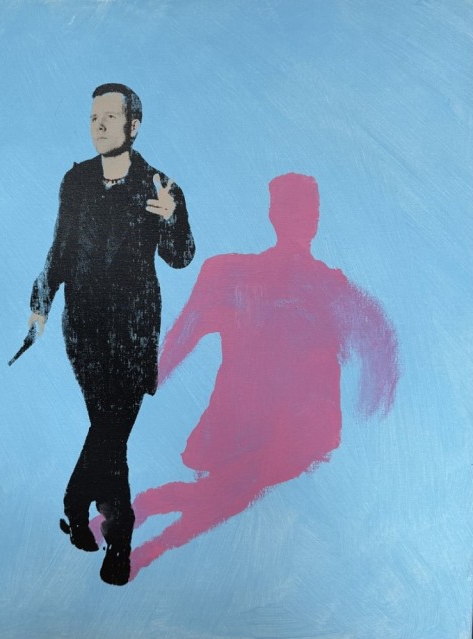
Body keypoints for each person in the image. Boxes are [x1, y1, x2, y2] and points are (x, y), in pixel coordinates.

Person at [112, 173, 398, 580]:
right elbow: (185, 333)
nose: (303, 218)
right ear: (276, 214)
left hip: (299, 433)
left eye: (308, 210)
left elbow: (379, 338)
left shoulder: (326, 287)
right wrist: (146, 380)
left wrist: (379, 386)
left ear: (313, 218)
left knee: (227, 491)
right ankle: (143, 531)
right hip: (254, 427)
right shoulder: (234, 275)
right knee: (229, 492)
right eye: (296, 209)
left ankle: (141, 525)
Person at [28, 83, 195, 585]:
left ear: (133, 126)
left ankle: (80, 506)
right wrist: (40, 305)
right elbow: (59, 248)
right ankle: (114, 540)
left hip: (134, 330)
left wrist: (172, 219)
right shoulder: (76, 180)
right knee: (110, 435)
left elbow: (181, 257)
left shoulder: (159, 185)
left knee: (109, 433)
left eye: (110, 118)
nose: (99, 126)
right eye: (93, 117)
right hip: (84, 330)